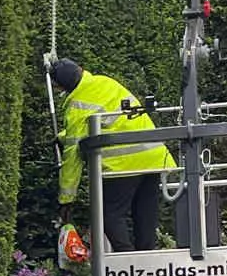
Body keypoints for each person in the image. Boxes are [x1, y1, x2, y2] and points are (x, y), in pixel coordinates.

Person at [51, 59, 174, 251]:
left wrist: (66, 200)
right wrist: (65, 136)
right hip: (153, 156)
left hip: (123, 163)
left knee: (107, 214)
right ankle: (149, 266)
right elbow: (109, 120)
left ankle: (127, 264)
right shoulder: (104, 82)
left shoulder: (76, 105)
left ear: (63, 87)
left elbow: (72, 156)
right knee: (145, 214)